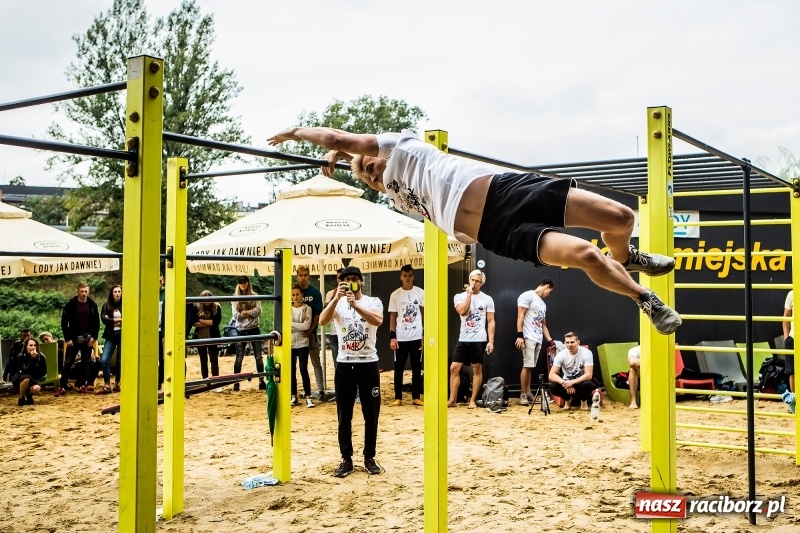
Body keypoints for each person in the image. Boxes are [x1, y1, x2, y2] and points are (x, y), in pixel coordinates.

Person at [267, 127, 681, 335]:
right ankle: (644, 298)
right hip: (497, 232)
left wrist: (299, 135)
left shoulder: (405, 146)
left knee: (621, 218)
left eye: (372, 164)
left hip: (507, 193)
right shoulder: (397, 198)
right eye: (370, 178)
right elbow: (346, 149)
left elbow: (341, 138)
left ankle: (627, 256)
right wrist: (341, 156)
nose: (375, 174)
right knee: (587, 256)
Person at [319, 266, 384, 477]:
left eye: (354, 279)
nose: (351, 283)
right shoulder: (337, 303)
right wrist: (336, 299)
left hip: (368, 363)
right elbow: (322, 321)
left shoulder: (372, 301)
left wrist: (355, 305)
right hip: (345, 364)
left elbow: (377, 320)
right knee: (344, 414)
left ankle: (369, 457)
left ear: (361, 281)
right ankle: (346, 459)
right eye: (346, 280)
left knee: (371, 413)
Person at [448, 269, 495, 409]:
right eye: (472, 280)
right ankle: (452, 400)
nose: (474, 283)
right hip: (463, 338)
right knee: (454, 368)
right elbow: (463, 311)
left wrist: (491, 341)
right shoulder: (459, 296)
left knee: (476, 369)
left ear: (482, 284)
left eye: (477, 281)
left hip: (479, 339)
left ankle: (472, 400)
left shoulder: (487, 299)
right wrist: (469, 295)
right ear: (469, 280)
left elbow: (491, 321)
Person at [388, 264, 425, 406]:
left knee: (417, 367)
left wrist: (424, 333)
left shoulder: (420, 292)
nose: (407, 278)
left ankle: (416, 397)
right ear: (401, 277)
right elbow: (392, 316)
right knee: (399, 368)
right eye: (405, 275)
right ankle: (398, 397)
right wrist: (392, 336)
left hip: (416, 336)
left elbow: (424, 313)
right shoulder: (395, 294)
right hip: (401, 336)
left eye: (410, 275)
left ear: (413, 276)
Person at [515, 278, 555, 406]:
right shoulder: (527, 296)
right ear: (547, 286)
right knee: (527, 365)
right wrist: (520, 335)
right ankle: (523, 394)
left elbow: (543, 325)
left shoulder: (543, 304)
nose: (549, 295)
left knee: (530, 366)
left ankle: (528, 393)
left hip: (538, 338)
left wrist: (550, 341)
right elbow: (520, 315)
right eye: (550, 292)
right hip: (528, 336)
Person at [55, 282, 100, 397]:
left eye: (86, 291)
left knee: (86, 362)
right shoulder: (71, 305)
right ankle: (62, 386)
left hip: (88, 338)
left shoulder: (92, 305)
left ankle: (82, 385)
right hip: (73, 338)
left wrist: (94, 337)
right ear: (78, 292)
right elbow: (64, 323)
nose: (84, 294)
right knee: (68, 362)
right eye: (82, 291)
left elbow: (96, 323)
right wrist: (67, 338)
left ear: (88, 292)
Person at [296, 265, 326, 399]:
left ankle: (320, 389)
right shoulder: (293, 291)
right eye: (300, 275)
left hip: (311, 333)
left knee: (315, 361)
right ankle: (300, 390)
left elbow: (317, 313)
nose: (303, 278)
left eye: (305, 275)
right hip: (295, 334)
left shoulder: (314, 292)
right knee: (299, 365)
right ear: (297, 276)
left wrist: (311, 330)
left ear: (309, 276)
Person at [232, 276, 265, 392]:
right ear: (238, 284)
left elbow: (258, 311)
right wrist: (251, 313)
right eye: (241, 282)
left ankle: (261, 380)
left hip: (253, 328)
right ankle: (236, 382)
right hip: (241, 330)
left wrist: (245, 312)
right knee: (239, 358)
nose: (243, 284)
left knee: (258, 357)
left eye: (244, 282)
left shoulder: (255, 296)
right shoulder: (235, 298)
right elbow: (236, 315)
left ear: (248, 283)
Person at [548, 332, 595, 410]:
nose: (570, 345)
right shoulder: (561, 355)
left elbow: (589, 375)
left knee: (588, 384)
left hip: (580, 383)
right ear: (564, 343)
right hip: (566, 383)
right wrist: (564, 383)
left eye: (572, 342)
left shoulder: (587, 353)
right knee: (553, 387)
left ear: (578, 342)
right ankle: (567, 399)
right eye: (567, 342)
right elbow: (551, 375)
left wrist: (572, 382)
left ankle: (583, 401)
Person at [190, 290, 222, 382]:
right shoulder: (196, 308)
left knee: (214, 360)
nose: (207, 303)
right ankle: (205, 380)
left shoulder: (217, 307)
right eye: (205, 300)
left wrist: (201, 321)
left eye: (209, 300)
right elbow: (194, 323)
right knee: (203, 360)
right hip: (200, 336)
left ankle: (215, 380)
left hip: (213, 336)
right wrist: (209, 322)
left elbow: (216, 322)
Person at [290, 284, 314, 408]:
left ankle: (308, 397)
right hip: (291, 344)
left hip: (303, 343)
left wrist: (292, 325)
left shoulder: (307, 308)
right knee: (291, 370)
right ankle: (293, 396)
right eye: (293, 295)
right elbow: (286, 326)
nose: (295, 297)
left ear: (302, 295)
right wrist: (297, 325)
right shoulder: (288, 309)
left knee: (303, 369)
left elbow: (306, 326)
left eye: (297, 294)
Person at [97, 285, 122, 395]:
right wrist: (118, 320)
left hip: (122, 336)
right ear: (112, 293)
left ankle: (117, 382)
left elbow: (129, 318)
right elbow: (104, 319)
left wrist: (111, 319)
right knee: (104, 359)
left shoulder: (126, 305)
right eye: (115, 291)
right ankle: (107, 384)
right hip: (111, 335)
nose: (117, 293)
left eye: (119, 291)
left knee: (120, 360)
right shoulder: (107, 305)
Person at [9, 338, 47, 406]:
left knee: (36, 389)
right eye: (31, 345)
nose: (33, 347)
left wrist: (38, 377)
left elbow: (43, 371)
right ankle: (21, 398)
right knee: (26, 378)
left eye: (35, 345)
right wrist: (33, 359)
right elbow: (25, 371)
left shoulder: (41, 356)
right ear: (26, 346)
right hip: (20, 378)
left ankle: (28, 396)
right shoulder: (20, 356)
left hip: (33, 378)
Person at [324, 268, 344, 371]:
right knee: (337, 364)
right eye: (338, 278)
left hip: (346, 333)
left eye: (342, 278)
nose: (340, 280)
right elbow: (326, 312)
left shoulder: (352, 293)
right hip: (334, 333)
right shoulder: (330, 293)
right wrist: (335, 297)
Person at [783, 290, 795, 393]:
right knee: (792, 372)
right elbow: (786, 316)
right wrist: (787, 338)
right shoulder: (792, 293)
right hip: (793, 338)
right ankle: (795, 402)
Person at [628, 345, 641, 409]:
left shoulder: (659, 349)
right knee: (633, 369)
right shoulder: (635, 350)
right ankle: (633, 401)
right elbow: (632, 362)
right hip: (640, 377)